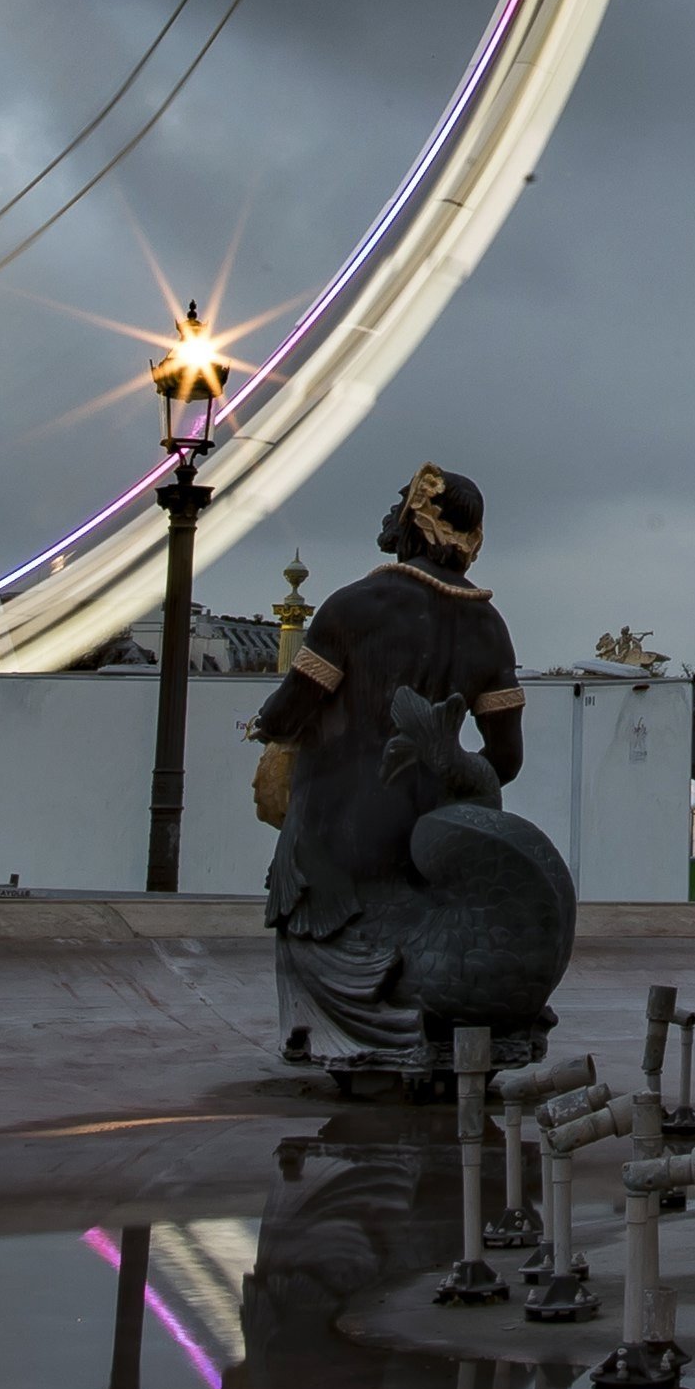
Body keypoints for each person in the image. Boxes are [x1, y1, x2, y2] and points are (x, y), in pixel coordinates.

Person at [244, 465, 528, 1091]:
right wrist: (452, 766)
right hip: (436, 831)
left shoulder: (355, 606)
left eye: (398, 503)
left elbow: (293, 706)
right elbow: (505, 759)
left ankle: (365, 1045)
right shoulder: (490, 629)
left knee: (324, 921)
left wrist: (262, 728)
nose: (388, 514)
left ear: (418, 521)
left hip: (340, 825)